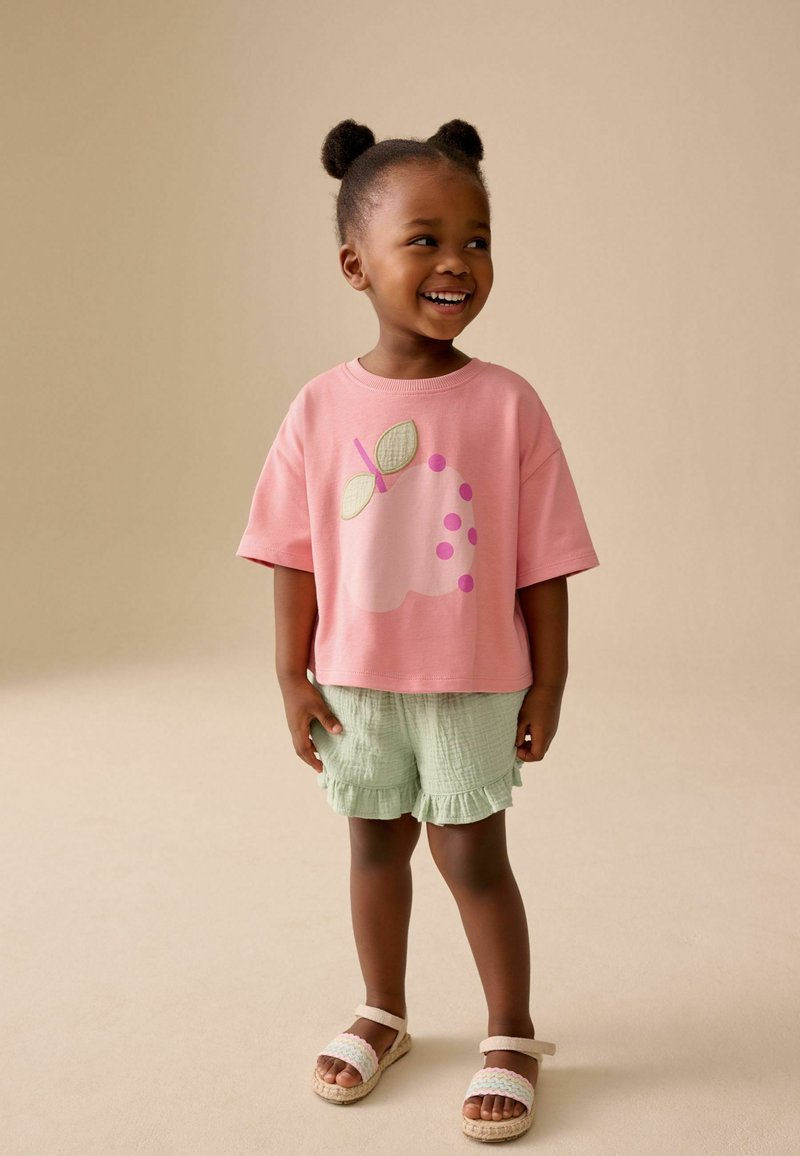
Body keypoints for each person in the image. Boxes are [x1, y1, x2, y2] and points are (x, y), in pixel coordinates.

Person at [235, 118, 600, 1143]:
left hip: (475, 682)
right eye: (426, 239)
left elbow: (543, 560)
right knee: (372, 848)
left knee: (472, 856)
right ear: (355, 263)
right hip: (356, 682)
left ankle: (510, 1032)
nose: (456, 262)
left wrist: (548, 682)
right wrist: (292, 676)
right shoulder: (318, 407)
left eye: (476, 240)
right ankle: (383, 1012)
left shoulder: (507, 404)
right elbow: (294, 554)